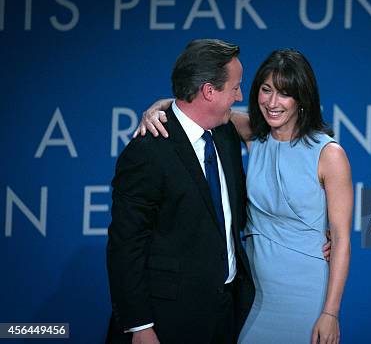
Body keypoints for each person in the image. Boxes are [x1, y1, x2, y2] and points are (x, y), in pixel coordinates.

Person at [137, 49, 353, 344]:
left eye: (285, 93)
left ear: (302, 98)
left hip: (305, 291)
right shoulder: (253, 133)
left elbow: (341, 240)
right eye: (266, 90)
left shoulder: (330, 155)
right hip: (252, 293)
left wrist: (331, 312)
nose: (272, 103)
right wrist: (156, 107)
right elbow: (192, 108)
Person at [106, 39, 255, 344]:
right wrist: (140, 326)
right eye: (235, 88)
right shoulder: (148, 152)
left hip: (225, 314)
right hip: (167, 320)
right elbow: (126, 246)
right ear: (209, 91)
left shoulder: (225, 135)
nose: (240, 96)